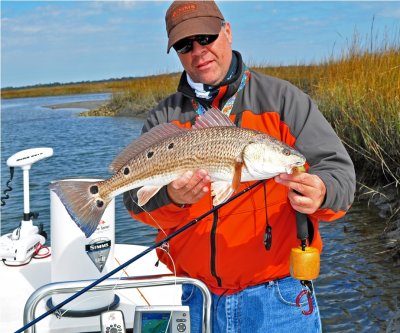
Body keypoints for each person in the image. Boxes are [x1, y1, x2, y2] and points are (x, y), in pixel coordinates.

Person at [123, 1, 356, 332]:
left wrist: (322, 193)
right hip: (196, 297)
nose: (198, 51)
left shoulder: (284, 100)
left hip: (279, 301)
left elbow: (340, 176)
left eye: (206, 37)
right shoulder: (165, 117)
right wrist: (173, 198)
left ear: (227, 31)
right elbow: (134, 202)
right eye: (184, 45)